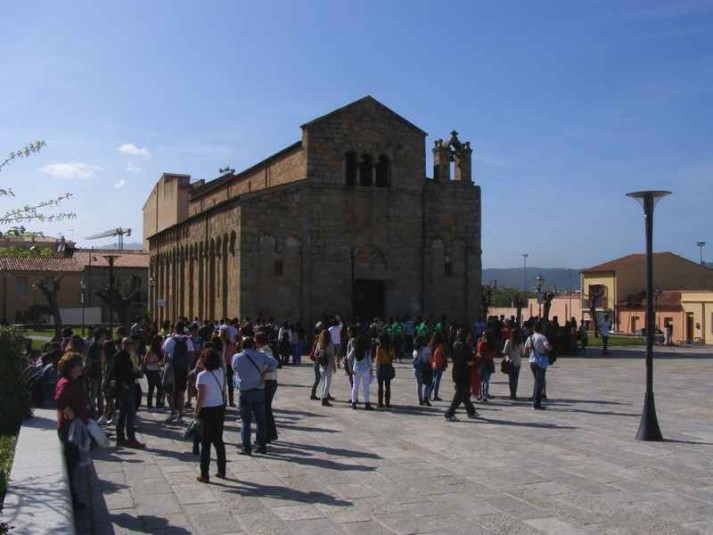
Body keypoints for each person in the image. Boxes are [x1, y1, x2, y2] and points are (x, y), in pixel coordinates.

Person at [55, 353, 89, 510]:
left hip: (72, 426)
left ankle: (73, 498)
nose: (82, 367)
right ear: (72, 367)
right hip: (70, 427)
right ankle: (72, 501)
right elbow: (59, 399)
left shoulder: (72, 381)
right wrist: (70, 412)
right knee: (71, 462)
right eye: (79, 364)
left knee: (73, 462)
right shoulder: (68, 383)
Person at [232, 337, 277, 455]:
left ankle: (247, 448)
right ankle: (261, 446)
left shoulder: (237, 357)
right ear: (253, 346)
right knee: (260, 420)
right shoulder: (261, 356)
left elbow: (234, 369)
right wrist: (265, 372)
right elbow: (274, 363)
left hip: (245, 391)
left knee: (246, 422)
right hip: (258, 390)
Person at [194, 348, 227, 483]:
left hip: (207, 410)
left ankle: (204, 474)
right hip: (219, 408)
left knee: (206, 443)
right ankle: (222, 470)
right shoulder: (220, 372)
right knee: (218, 440)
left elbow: (200, 397)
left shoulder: (202, 376)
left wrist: (196, 412)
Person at [112, 338, 145, 448]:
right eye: (128, 344)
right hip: (124, 387)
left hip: (129, 385)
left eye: (131, 343)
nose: (131, 346)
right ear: (123, 345)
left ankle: (122, 438)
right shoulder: (120, 357)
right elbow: (117, 373)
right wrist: (125, 381)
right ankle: (129, 438)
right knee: (128, 415)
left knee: (124, 414)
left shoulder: (128, 356)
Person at [162, 323, 194, 422]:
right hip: (183, 368)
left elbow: (166, 356)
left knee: (169, 390)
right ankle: (180, 413)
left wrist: (164, 366)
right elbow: (191, 355)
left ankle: (172, 412)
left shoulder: (169, 340)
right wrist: (189, 367)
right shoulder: (188, 340)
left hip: (171, 367)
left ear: (175, 329)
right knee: (181, 391)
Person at [444, 329, 478, 421]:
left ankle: (471, 411)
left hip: (456, 371)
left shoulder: (455, 344)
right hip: (464, 373)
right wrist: (475, 359)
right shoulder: (466, 346)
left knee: (465, 393)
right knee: (460, 394)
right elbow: (469, 361)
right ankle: (450, 413)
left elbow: (453, 357)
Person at [255, 332, 279, 442]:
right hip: (269, 382)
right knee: (266, 409)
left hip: (268, 382)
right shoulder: (264, 350)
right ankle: (271, 433)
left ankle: (267, 435)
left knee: (264, 410)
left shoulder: (265, 351)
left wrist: (261, 374)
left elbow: (271, 365)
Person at [523, 322, 552, 410]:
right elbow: (548, 347)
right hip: (541, 362)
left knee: (537, 381)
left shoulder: (530, 337)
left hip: (532, 361)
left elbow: (525, 351)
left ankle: (535, 398)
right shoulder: (543, 337)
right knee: (539, 382)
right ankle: (536, 402)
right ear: (541, 329)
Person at [348, 333, 373, 410]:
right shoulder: (367, 350)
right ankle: (367, 404)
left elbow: (348, 358)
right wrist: (370, 370)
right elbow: (369, 361)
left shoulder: (354, 349)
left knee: (355, 387)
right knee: (366, 388)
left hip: (356, 370)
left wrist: (350, 369)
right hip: (365, 370)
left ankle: (353, 403)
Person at [85, 329, 106, 418]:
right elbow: (88, 360)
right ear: (99, 337)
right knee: (93, 393)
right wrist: (99, 360)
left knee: (100, 394)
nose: (104, 338)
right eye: (103, 336)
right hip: (94, 373)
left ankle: (101, 411)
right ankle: (92, 411)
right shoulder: (93, 347)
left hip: (101, 372)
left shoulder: (103, 346)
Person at [374, 332, 395, 408]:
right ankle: (387, 403)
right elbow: (393, 357)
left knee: (380, 386)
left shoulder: (379, 348)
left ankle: (380, 403)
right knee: (388, 386)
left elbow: (378, 359)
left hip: (381, 367)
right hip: (388, 366)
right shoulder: (391, 347)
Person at [315, 329, 336, 406]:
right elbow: (332, 356)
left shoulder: (319, 343)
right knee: (327, 383)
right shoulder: (330, 344)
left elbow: (316, 354)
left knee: (323, 382)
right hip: (329, 365)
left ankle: (322, 396)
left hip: (321, 365)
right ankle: (324, 399)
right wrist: (334, 366)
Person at [143, 335, 164, 409]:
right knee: (152, 388)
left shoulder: (159, 350)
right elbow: (146, 361)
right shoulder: (151, 350)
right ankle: (150, 404)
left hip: (155, 370)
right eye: (161, 341)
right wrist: (156, 361)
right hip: (150, 370)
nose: (162, 342)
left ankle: (158, 403)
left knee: (160, 388)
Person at [477, 330, 497, 402]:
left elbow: (479, 352)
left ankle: (482, 395)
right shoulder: (491, 343)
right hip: (488, 362)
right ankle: (483, 395)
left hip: (483, 363)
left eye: (483, 334)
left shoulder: (482, 343)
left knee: (482, 380)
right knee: (484, 380)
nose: (482, 336)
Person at [501, 329, 522, 400]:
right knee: (516, 379)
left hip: (510, 361)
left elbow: (505, 352)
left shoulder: (508, 341)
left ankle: (512, 393)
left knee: (511, 378)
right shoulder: (520, 342)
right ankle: (514, 393)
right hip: (518, 362)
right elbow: (522, 352)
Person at [413, 335, 432, 406]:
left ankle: (420, 399)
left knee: (419, 385)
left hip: (416, 369)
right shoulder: (426, 349)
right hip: (424, 369)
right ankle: (426, 398)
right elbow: (429, 360)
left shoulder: (415, 351)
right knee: (428, 383)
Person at [428, 331, 446, 402]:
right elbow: (440, 355)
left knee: (434, 380)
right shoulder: (440, 345)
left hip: (433, 363)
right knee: (437, 380)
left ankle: (428, 394)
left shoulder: (431, 343)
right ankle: (435, 395)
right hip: (438, 364)